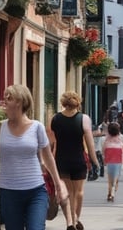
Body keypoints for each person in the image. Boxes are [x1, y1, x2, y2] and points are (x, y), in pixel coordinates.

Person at [0, 84, 69, 230]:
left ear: (19, 101)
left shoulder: (37, 127)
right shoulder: (0, 128)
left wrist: (58, 185)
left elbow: (48, 158)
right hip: (9, 193)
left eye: (9, 98)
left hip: (36, 191)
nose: (4, 102)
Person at [48, 91, 99, 230]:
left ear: (63, 103)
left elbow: (51, 143)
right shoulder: (83, 119)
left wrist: (49, 162)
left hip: (61, 160)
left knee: (66, 193)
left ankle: (70, 222)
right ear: (78, 102)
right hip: (78, 160)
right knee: (79, 192)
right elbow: (89, 143)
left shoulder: (55, 119)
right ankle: (76, 219)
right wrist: (95, 161)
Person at [103, 122, 123, 202]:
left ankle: (109, 193)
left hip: (109, 158)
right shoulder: (121, 137)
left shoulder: (106, 137)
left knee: (110, 177)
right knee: (116, 177)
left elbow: (103, 148)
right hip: (118, 158)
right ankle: (113, 192)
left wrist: (104, 158)